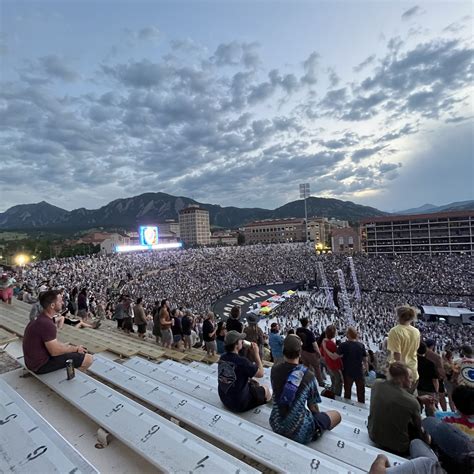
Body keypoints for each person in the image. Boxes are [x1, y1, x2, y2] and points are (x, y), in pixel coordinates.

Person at [269, 334, 341, 444]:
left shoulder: (274, 369)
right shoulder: (308, 375)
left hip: (276, 422)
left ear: (283, 350)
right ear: (300, 352)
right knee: (337, 415)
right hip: (300, 432)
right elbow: (313, 407)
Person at [368, 362, 434, 456]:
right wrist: (430, 409)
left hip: (373, 435)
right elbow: (419, 429)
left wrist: (418, 399)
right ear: (403, 379)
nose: (412, 380)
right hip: (399, 447)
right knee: (428, 434)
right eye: (410, 377)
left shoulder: (376, 384)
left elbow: (393, 399)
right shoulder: (411, 402)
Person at [22, 289, 93, 374]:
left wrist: (68, 347)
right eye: (60, 301)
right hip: (40, 366)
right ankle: (68, 379)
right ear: (52, 305)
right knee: (88, 359)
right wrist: (75, 349)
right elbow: (55, 351)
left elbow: (51, 345)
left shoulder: (41, 319)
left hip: (32, 363)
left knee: (68, 348)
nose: (62, 303)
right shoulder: (47, 324)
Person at [217, 330, 271, 412]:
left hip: (224, 398)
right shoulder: (242, 362)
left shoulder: (222, 357)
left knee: (253, 381)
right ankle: (265, 408)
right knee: (266, 388)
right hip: (239, 404)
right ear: (236, 345)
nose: (242, 341)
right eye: (240, 340)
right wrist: (256, 354)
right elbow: (261, 374)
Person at [387, 306, 420, 392]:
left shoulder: (395, 331)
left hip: (400, 373)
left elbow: (397, 354)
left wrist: (400, 375)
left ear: (398, 316)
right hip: (413, 370)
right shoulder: (416, 331)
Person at [337, 327, 368, 403]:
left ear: (348, 335)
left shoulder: (343, 345)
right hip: (359, 371)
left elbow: (335, 356)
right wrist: (366, 370)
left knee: (347, 392)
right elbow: (365, 360)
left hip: (348, 372)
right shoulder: (361, 345)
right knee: (361, 393)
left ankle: (347, 408)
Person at [296, 318, 325, 386]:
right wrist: (318, 353)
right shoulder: (309, 333)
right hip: (311, 353)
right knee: (317, 367)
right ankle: (320, 382)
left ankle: (307, 380)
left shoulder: (298, 330)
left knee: (306, 367)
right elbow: (315, 345)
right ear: (307, 323)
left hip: (303, 351)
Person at [417, 342, 439, 417]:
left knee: (417, 410)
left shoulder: (414, 362)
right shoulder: (430, 363)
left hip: (417, 388)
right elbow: (435, 380)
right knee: (430, 411)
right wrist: (436, 392)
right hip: (429, 389)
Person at [321, 324, 343, 396]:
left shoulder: (324, 341)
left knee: (333, 380)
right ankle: (336, 396)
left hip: (329, 364)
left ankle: (332, 392)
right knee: (338, 381)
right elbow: (337, 356)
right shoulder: (331, 344)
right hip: (334, 365)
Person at [425, 340, 447, 412]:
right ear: (432, 346)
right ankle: (444, 412)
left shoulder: (420, 354)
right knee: (441, 397)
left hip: (423, 378)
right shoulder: (436, 356)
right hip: (436, 379)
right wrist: (444, 377)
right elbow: (440, 370)